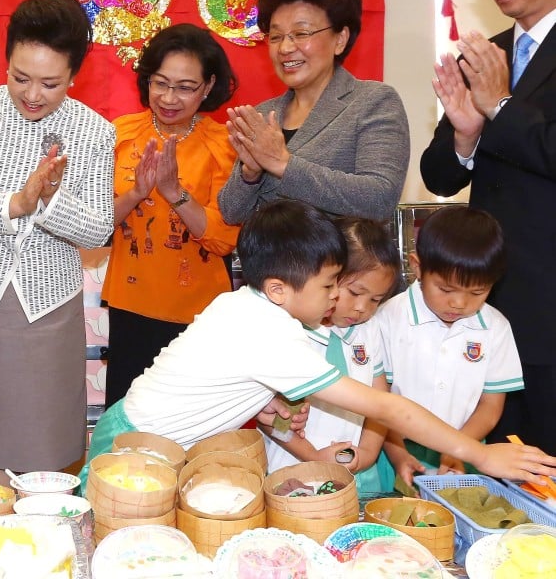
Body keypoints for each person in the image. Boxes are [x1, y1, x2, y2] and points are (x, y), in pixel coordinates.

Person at [82, 200, 556, 489]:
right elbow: (387, 408)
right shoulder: (272, 336)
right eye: (331, 285)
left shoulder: (250, 308)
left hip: (151, 434)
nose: (335, 299)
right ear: (279, 289)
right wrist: (481, 454)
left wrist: (266, 404)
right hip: (134, 446)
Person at [0, 0, 115, 485]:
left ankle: (39, 524)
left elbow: (98, 229)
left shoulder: (93, 130)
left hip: (48, 302)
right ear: (6, 60)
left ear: (75, 75)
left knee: (43, 430)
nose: (33, 93)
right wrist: (17, 203)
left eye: (50, 83)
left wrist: (51, 201)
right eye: (20, 77)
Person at [420, 0, 556, 456]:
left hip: (549, 302)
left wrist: (501, 104)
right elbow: (438, 176)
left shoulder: (494, 74)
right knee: (490, 462)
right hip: (486, 304)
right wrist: (466, 134)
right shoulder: (486, 52)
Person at [102, 23, 241, 408]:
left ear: (209, 86)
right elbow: (97, 225)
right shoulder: (120, 134)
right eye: (160, 83)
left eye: (184, 87)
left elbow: (223, 238)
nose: (168, 97)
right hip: (131, 303)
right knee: (128, 418)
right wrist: (135, 193)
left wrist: (175, 193)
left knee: (194, 421)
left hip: (200, 312)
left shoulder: (223, 145)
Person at [218, 0, 409, 224]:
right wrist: (249, 174)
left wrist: (283, 164)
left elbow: (379, 199)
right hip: (268, 264)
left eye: (301, 33)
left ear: (340, 39)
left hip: (343, 264)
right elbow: (231, 213)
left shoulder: (373, 101)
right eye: (275, 37)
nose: (285, 47)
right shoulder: (263, 115)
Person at [377, 206, 523, 486]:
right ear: (417, 267)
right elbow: (379, 402)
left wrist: (459, 448)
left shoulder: (495, 327)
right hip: (397, 450)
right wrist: (397, 454)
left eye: (477, 293)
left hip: (467, 451)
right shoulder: (388, 319)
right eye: (445, 289)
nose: (459, 303)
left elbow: (491, 406)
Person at [262, 217, 399, 495]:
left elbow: (380, 404)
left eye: (375, 300)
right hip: (292, 470)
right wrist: (313, 457)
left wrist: (368, 454)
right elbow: (274, 418)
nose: (362, 308)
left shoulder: (369, 331)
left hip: (357, 476)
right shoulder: (290, 331)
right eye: (355, 292)